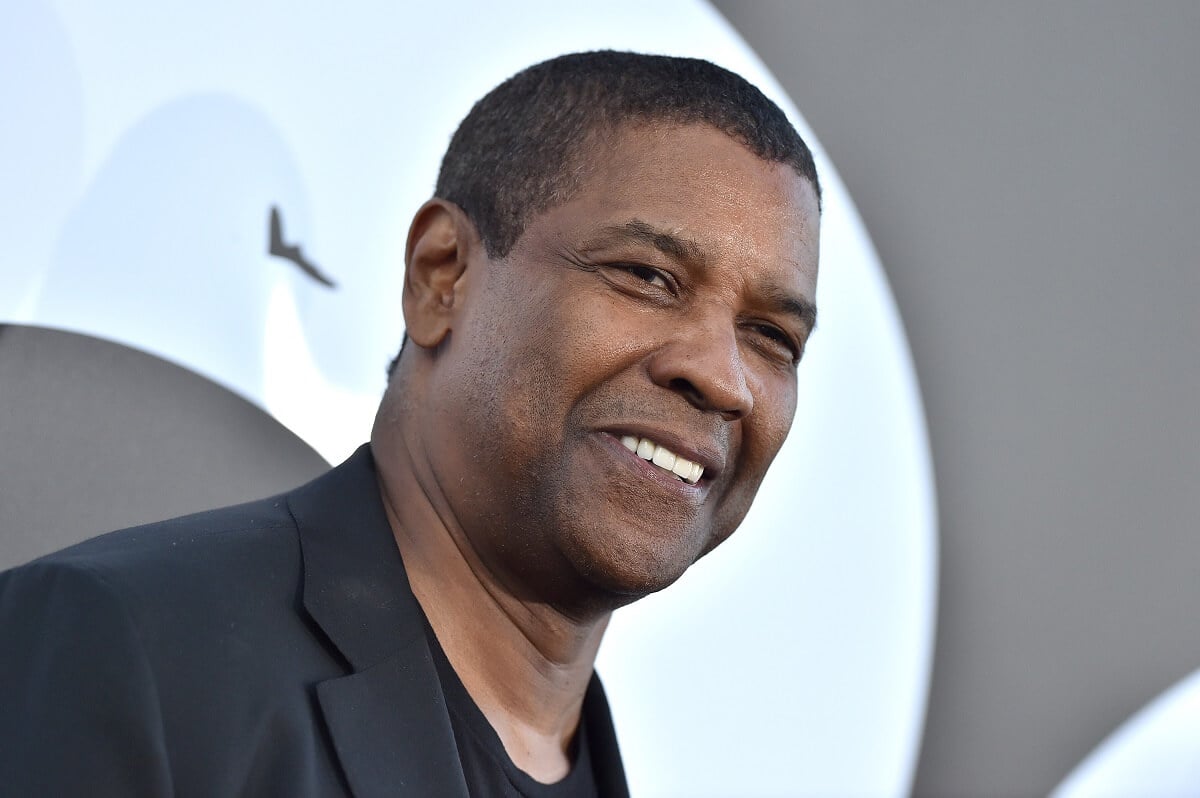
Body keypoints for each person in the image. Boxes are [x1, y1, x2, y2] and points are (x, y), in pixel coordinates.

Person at [0, 50, 821, 796]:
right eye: (648, 275)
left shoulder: (599, 766)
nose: (724, 377)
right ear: (443, 277)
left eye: (772, 337)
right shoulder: (125, 650)